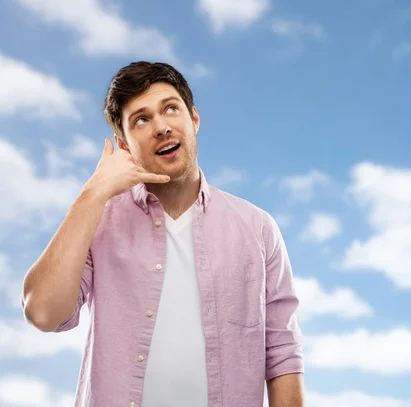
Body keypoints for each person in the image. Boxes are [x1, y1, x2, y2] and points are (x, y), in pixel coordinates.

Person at [20, 61, 305, 407]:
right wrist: (91, 194)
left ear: (194, 119)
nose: (161, 127)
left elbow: (282, 355)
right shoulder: (99, 222)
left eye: (171, 109)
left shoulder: (258, 229)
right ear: (124, 145)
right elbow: (43, 313)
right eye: (141, 119)